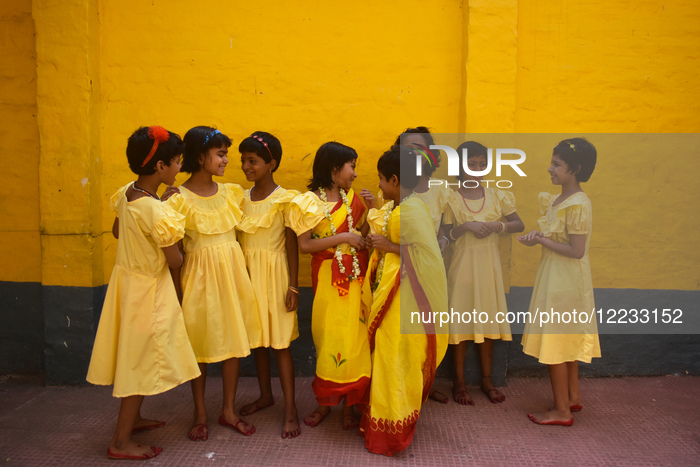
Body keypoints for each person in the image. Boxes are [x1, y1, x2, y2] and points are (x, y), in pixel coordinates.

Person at [86, 126, 200, 460]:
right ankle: (120, 442)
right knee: (139, 361)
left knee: (134, 353)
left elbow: (119, 231)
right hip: (149, 292)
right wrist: (172, 217)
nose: (179, 168)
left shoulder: (128, 193)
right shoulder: (158, 210)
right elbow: (175, 259)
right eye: (177, 162)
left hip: (127, 285)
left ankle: (132, 419)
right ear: (161, 167)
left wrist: (160, 209)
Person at [166, 126, 259, 440]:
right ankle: (200, 412)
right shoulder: (177, 199)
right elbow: (173, 250)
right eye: (220, 154)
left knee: (232, 343)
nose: (225, 161)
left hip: (232, 277)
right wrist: (177, 294)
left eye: (225, 154)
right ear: (200, 157)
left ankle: (228, 410)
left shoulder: (232, 193)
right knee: (200, 346)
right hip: (198, 279)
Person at [360, 145, 449, 456]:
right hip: (393, 290)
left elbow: (428, 256)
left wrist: (387, 245)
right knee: (387, 356)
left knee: (394, 357)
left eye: (383, 180)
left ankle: (393, 427)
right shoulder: (403, 206)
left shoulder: (410, 210)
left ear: (395, 180)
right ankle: (382, 419)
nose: (381, 185)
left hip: (405, 297)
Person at [287, 141, 371, 431]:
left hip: (354, 282)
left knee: (353, 340)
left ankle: (349, 408)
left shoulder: (354, 201)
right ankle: (325, 405)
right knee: (327, 339)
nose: (355, 174)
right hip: (326, 281)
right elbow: (305, 244)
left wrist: (369, 214)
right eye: (352, 166)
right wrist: (343, 238)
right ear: (335, 169)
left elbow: (360, 236)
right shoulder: (309, 202)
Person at [517, 138, 600, 426]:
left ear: (575, 169)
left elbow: (577, 251)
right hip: (557, 277)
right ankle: (572, 398)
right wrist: (535, 238)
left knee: (556, 342)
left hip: (565, 283)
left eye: (556, 164)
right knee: (565, 341)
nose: (549, 169)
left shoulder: (578, 204)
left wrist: (543, 239)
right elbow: (553, 238)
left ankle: (561, 411)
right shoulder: (559, 200)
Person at [443, 141, 524, 405]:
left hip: (489, 270)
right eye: (471, 164)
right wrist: (466, 226)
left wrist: (495, 225)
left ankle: (487, 380)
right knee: (459, 325)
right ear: (460, 167)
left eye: (482, 164)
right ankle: (459, 382)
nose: (477, 170)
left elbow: (518, 224)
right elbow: (445, 236)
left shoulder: (499, 195)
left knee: (487, 323)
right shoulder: (451, 198)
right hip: (462, 269)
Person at [235, 131, 301, 439]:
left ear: (271, 164)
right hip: (248, 276)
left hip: (276, 277)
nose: (246, 167)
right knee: (258, 341)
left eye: (253, 161)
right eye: (243, 161)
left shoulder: (285, 199)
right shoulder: (240, 199)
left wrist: (294, 286)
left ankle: (290, 409)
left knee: (280, 344)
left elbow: (291, 246)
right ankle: (265, 395)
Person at [395, 126, 452, 404]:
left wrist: (443, 241)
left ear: (430, 152)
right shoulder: (396, 187)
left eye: (419, 147)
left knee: (430, 329)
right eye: (406, 148)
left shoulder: (440, 191)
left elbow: (444, 230)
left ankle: (427, 382)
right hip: (401, 270)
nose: (413, 153)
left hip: (430, 270)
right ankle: (405, 384)